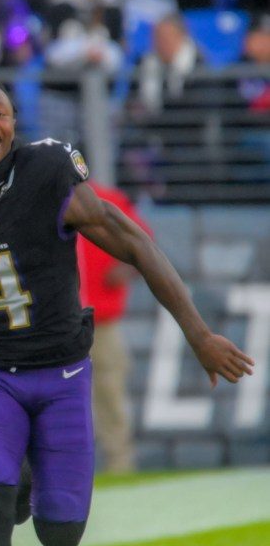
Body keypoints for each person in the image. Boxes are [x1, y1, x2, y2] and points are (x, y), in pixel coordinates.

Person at [0, 78, 254, 546]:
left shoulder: (46, 172)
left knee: (60, 535)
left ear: (14, 125)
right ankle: (9, 479)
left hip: (62, 373)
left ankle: (23, 475)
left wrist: (200, 335)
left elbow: (136, 244)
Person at [77, 180, 151, 473]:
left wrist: (126, 268)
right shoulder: (45, 196)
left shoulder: (105, 198)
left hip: (100, 320)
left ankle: (120, 461)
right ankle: (69, 466)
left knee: (109, 389)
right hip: (58, 320)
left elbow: (144, 242)